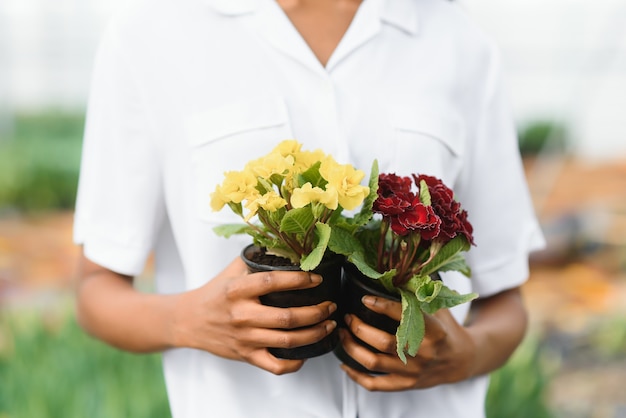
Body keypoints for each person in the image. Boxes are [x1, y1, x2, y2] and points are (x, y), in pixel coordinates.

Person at [74, 0, 545, 417]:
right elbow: (96, 293)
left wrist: (466, 354)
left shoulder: (457, 40)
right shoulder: (151, 33)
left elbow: (507, 301)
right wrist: (192, 320)